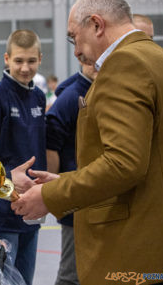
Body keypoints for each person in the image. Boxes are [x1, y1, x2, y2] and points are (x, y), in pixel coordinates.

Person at [12, 0, 163, 285]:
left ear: (97, 25)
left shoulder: (125, 64)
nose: (75, 51)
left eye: (74, 38)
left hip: (134, 247)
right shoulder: (158, 58)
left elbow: (124, 163)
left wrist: (51, 196)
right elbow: (148, 158)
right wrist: (64, 181)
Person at [0, 29, 47, 285]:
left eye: (31, 61)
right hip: (2, 214)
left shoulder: (39, 97)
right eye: (18, 61)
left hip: (31, 213)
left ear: (40, 58)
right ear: (7, 59)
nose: (25, 68)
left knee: (24, 281)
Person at [46, 62, 97, 285]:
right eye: (91, 61)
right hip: (75, 197)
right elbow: (51, 142)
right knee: (71, 274)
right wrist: (54, 190)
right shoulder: (71, 97)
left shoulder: (97, 90)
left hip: (91, 195)